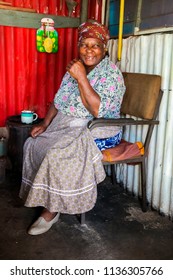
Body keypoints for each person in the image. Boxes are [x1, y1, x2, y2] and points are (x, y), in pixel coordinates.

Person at [19, 21, 126, 235]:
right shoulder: (74, 68)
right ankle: (46, 196)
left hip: (100, 128)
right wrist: (45, 123)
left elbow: (97, 110)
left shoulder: (112, 75)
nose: (89, 50)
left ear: (104, 48)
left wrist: (82, 78)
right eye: (84, 44)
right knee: (33, 143)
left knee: (58, 154)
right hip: (68, 123)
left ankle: (51, 210)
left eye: (95, 45)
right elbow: (60, 100)